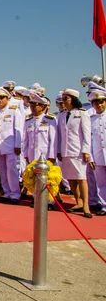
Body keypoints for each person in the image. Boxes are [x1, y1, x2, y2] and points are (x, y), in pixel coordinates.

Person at [57, 88, 92, 218]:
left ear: (73, 99)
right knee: (70, 177)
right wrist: (58, 151)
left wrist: (86, 150)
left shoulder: (82, 113)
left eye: (66, 98)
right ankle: (78, 202)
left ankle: (86, 206)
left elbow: (86, 133)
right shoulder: (61, 115)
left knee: (81, 178)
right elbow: (60, 135)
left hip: (78, 150)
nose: (64, 101)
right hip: (65, 150)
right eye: (63, 98)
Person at [0, 88, 24, 204]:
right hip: (0, 146)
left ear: (7, 99)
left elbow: (18, 129)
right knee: (2, 170)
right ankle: (7, 193)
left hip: (11, 145)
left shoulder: (13, 111)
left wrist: (18, 144)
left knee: (12, 170)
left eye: (2, 98)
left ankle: (15, 194)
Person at [88, 90, 106, 216]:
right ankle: (104, 205)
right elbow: (88, 139)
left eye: (101, 102)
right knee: (101, 183)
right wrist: (91, 157)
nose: (99, 105)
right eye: (96, 103)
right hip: (98, 155)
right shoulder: (91, 120)